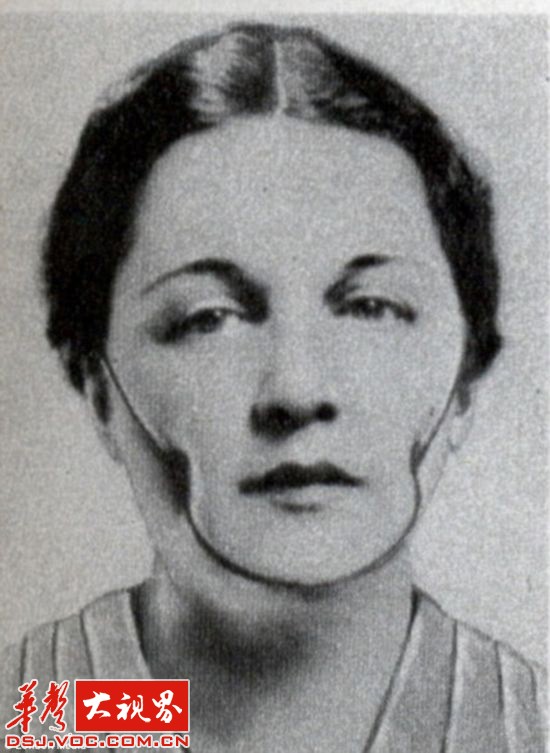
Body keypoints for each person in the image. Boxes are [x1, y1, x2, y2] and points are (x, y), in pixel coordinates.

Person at [0, 21, 546, 752]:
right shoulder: (39, 715)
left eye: (371, 307)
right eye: (208, 318)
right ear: (97, 385)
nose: (296, 389)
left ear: (467, 379)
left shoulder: (528, 728)